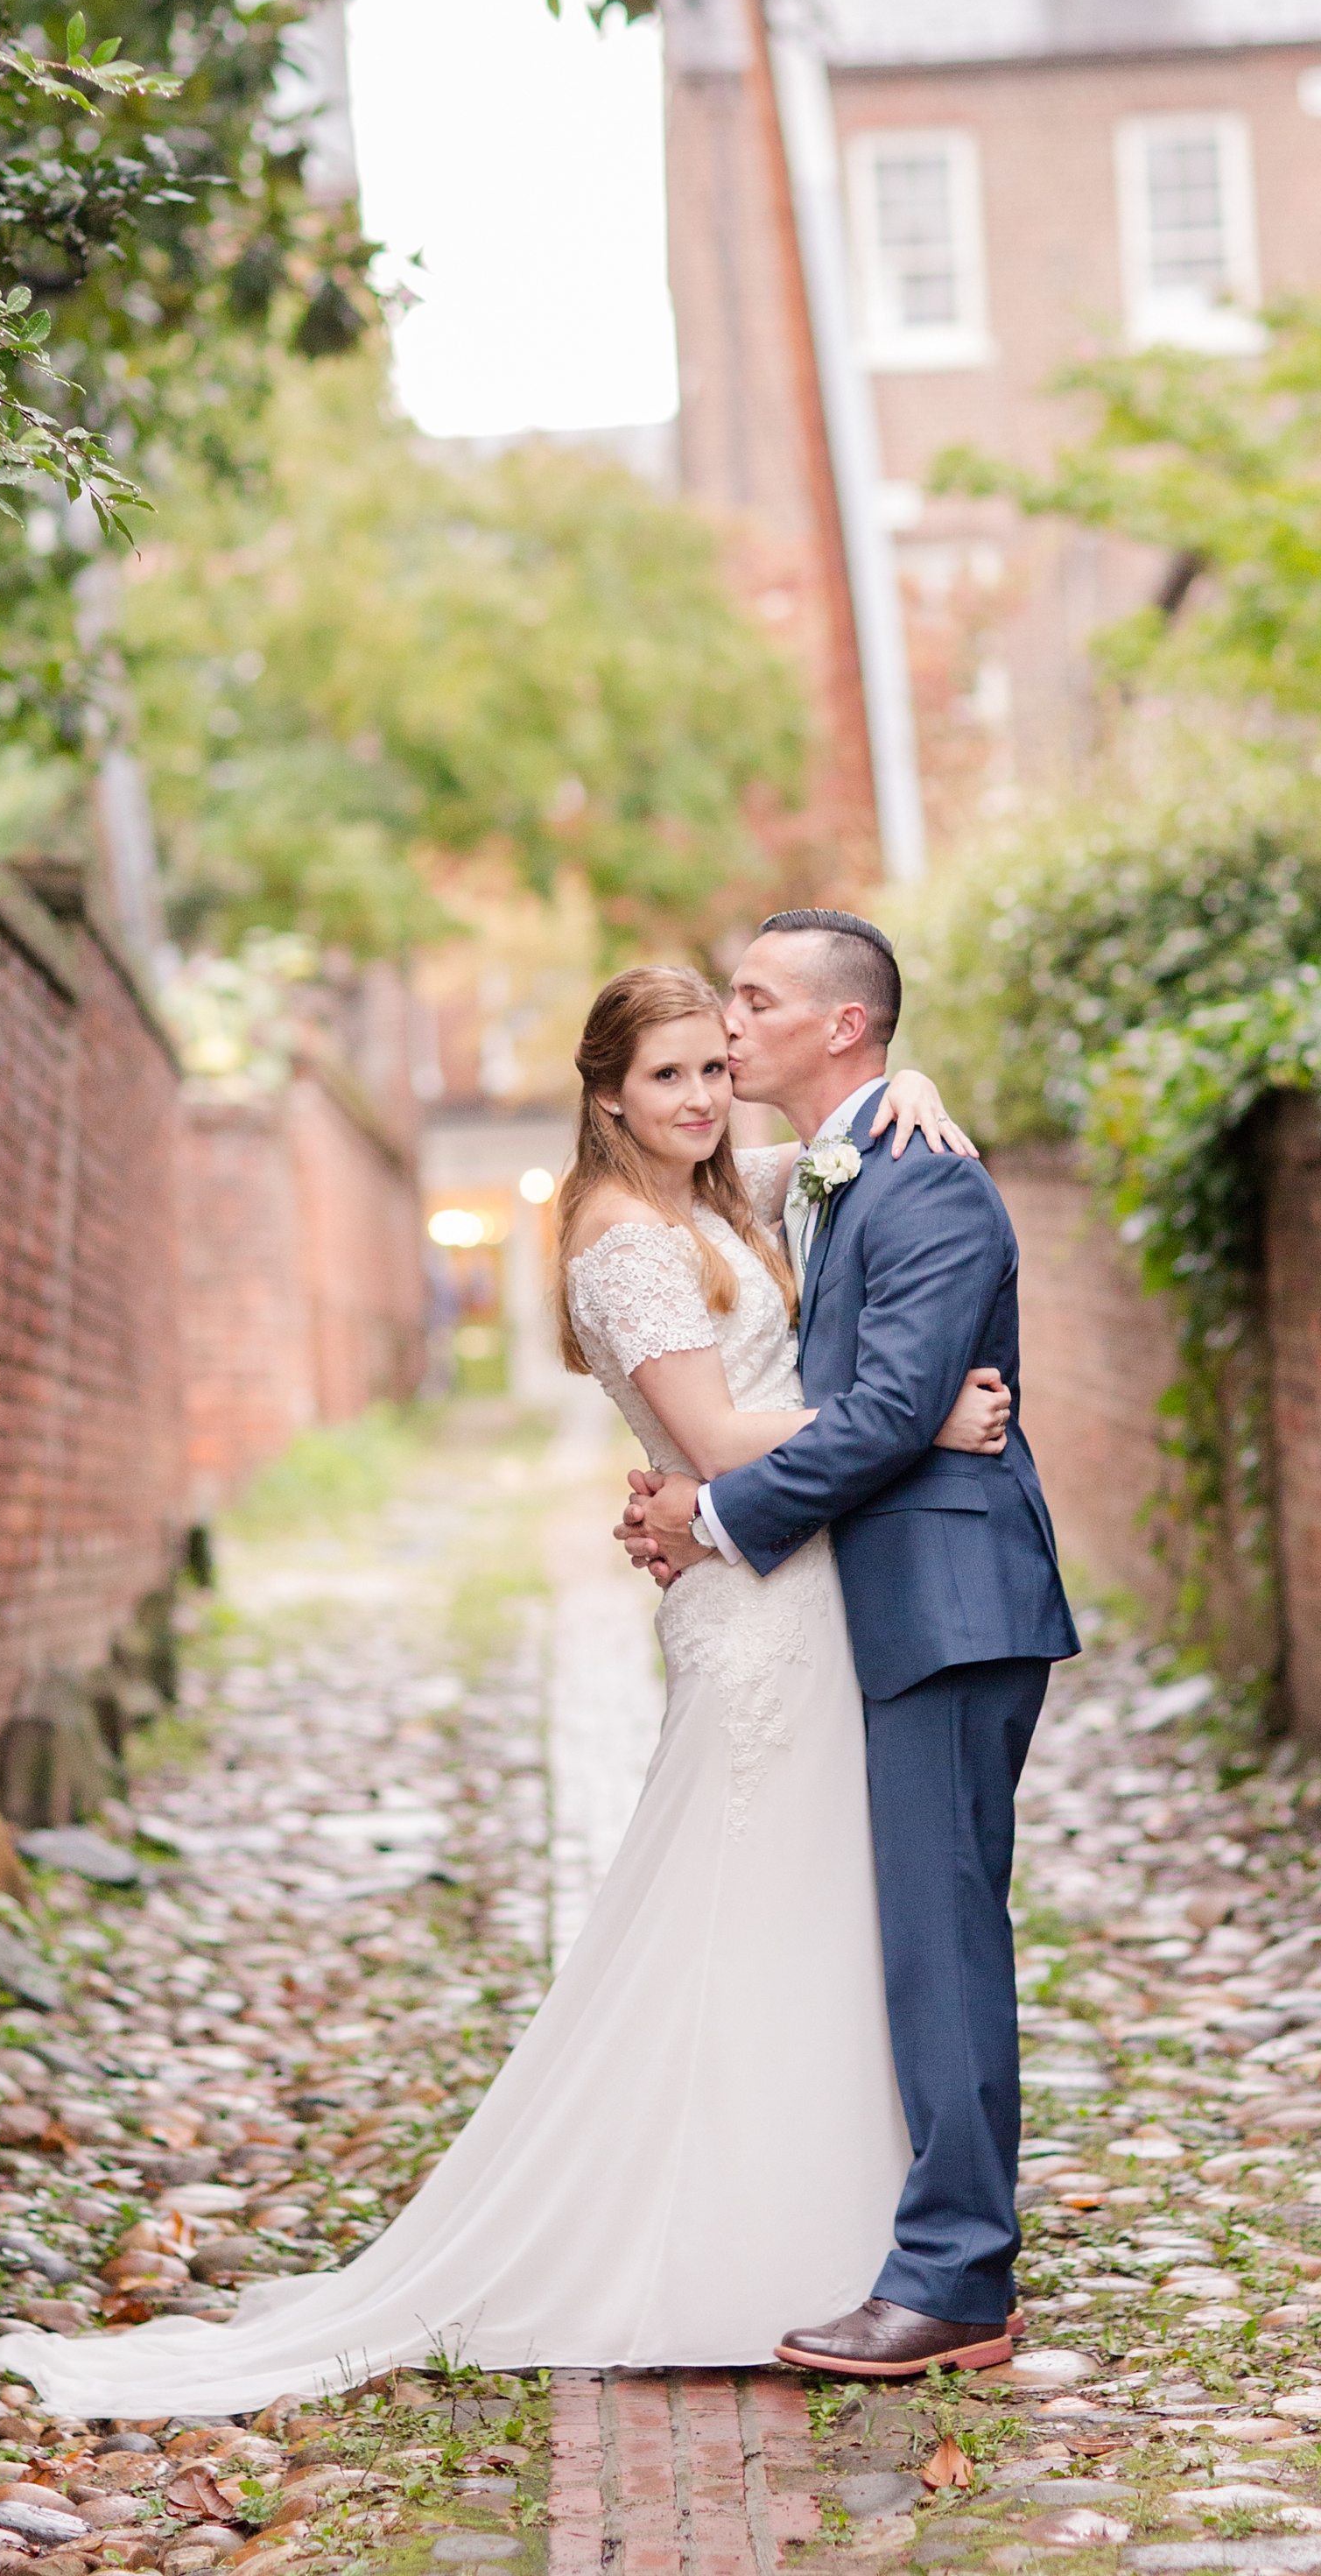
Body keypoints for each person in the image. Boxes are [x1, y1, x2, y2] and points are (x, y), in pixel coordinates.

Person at [0, 962, 1008, 2420]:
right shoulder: (625, 1237)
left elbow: (837, 1128)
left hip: (809, 1588)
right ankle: (713, 2242)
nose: (707, 1097)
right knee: (736, 1903)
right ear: (605, 1097)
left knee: (817, 1908)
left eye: (718, 1067)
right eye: (669, 1078)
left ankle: (843, 2220)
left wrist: (913, 1080)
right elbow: (713, 1435)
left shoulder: (729, 1186)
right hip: (755, 1605)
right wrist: (914, 1424)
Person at [621, 910, 1079, 2380]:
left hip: (948, 1608)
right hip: (888, 1602)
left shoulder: (929, 1191)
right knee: (914, 1935)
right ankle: (945, 2254)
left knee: (943, 1943)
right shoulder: (831, 1168)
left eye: (754, 1001)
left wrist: (714, 1515)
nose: (729, 1024)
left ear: (839, 1027)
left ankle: (955, 2280)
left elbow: (887, 1416)